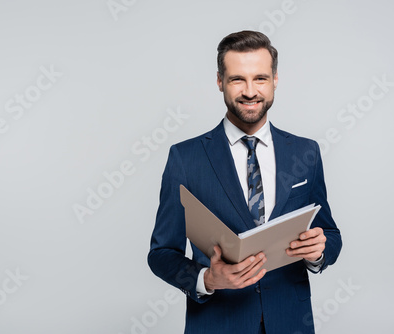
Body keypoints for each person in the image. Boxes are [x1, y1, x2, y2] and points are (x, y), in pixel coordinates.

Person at [147, 30, 342, 334]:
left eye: (260, 78)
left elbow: (329, 232)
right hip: (218, 322)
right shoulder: (185, 158)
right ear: (220, 81)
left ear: (275, 79)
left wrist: (320, 251)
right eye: (238, 79)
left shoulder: (306, 152)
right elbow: (161, 255)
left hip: (291, 322)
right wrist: (206, 280)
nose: (250, 91)